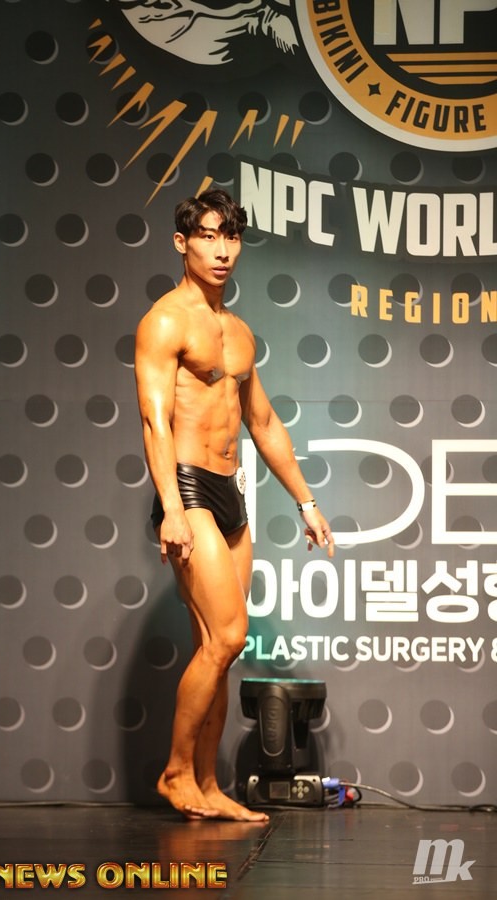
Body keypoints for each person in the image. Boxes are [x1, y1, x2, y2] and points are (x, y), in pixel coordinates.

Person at [134, 189, 334, 822]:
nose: (222, 250)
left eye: (232, 237)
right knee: (228, 633)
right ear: (182, 243)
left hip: (232, 495)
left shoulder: (240, 332)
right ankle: (175, 772)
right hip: (188, 487)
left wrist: (305, 502)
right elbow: (154, 420)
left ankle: (207, 784)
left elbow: (264, 422)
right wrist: (171, 507)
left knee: (217, 648)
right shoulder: (165, 322)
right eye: (208, 236)